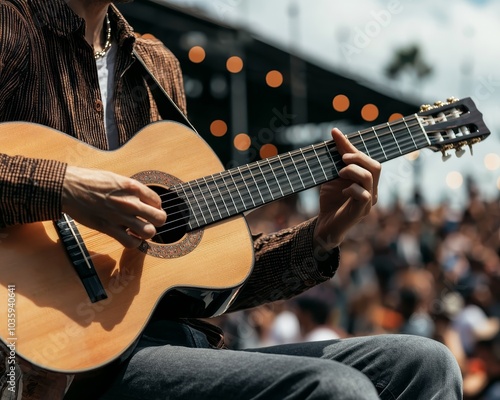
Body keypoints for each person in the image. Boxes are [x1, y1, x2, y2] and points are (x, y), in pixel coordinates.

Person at [0, 1, 462, 399]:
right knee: (333, 390)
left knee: (426, 363)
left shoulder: (155, 65)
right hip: (61, 360)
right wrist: (63, 187)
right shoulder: (11, 24)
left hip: (175, 343)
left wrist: (321, 235)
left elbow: (209, 275)